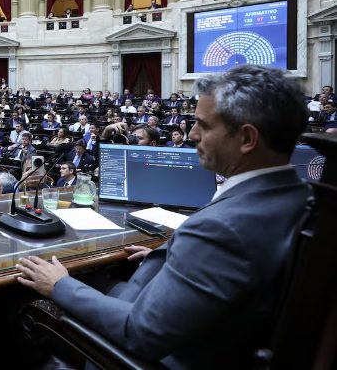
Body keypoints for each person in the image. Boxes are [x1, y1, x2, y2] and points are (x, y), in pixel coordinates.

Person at [16, 65, 311, 368]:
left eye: (203, 125)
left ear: (247, 138)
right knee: (101, 278)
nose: (192, 135)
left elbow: (139, 333)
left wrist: (59, 285)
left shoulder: (222, 229)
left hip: (157, 355)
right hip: (210, 329)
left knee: (19, 308)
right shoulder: (302, 197)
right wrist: (183, 258)